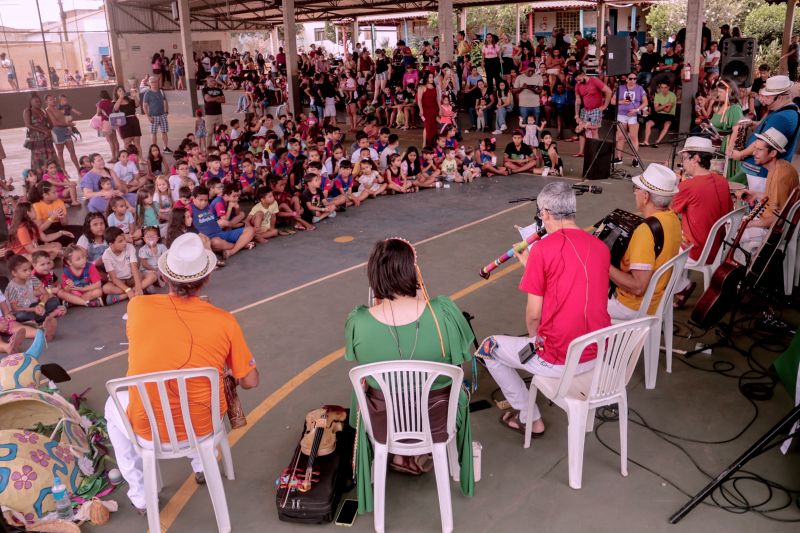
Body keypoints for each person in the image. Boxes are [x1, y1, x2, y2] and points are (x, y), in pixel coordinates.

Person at [104, 232, 259, 512]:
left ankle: (141, 495)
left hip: (147, 429)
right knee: (196, 393)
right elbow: (250, 381)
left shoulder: (137, 307)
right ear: (207, 278)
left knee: (111, 406)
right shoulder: (224, 322)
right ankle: (201, 463)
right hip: (202, 428)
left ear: (164, 277)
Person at [345, 237, 474, 513]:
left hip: (385, 424)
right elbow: (463, 362)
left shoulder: (359, 322)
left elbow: (363, 363)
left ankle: (396, 455)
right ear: (414, 272)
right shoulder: (443, 313)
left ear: (373, 276)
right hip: (438, 419)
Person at [480, 181, 610, 435]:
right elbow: (568, 284)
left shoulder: (542, 249)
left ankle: (530, 419)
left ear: (547, 214)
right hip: (597, 351)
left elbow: (534, 315)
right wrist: (533, 268)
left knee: (488, 349)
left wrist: (534, 340)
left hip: (560, 357)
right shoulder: (600, 247)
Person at [608, 164, 682, 320]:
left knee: (574, 298)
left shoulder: (645, 231)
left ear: (646, 196)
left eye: (637, 189)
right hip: (658, 299)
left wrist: (603, 264)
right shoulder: (673, 219)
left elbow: (638, 287)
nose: (635, 193)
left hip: (633, 306)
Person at [671, 137, 733, 307]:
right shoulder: (722, 181)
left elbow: (668, 213)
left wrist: (675, 185)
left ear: (696, 158)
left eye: (684, 158)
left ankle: (682, 286)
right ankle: (682, 283)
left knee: (658, 244)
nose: (682, 163)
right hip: (720, 246)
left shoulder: (689, 186)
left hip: (699, 250)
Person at [737, 128, 800, 260]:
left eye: (759, 150)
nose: (754, 153)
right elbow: (775, 199)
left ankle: (740, 273)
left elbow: (779, 219)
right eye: (755, 148)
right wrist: (756, 195)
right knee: (733, 225)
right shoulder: (778, 166)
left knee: (729, 234)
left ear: (772, 153)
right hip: (768, 222)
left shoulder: (780, 176)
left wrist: (751, 224)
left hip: (775, 230)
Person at [730, 76, 800, 191]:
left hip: (761, 173)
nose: (763, 101)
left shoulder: (783, 117)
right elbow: (767, 127)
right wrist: (753, 124)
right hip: (758, 170)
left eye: (767, 97)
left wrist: (740, 154)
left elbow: (763, 144)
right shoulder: (781, 111)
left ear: (780, 97)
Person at [612, 73, 647, 167]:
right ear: (626, 79)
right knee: (620, 137)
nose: (633, 81)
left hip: (634, 115)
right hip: (621, 114)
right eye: (631, 79)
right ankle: (618, 158)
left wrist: (637, 110)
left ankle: (635, 159)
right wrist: (621, 102)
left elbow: (645, 102)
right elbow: (612, 101)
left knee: (633, 137)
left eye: (635, 79)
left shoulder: (639, 88)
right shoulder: (620, 88)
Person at [574, 70, 612, 157]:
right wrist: (576, 114)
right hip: (585, 110)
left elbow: (608, 91)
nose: (578, 82)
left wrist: (605, 106)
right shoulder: (578, 85)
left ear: (583, 74)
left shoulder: (594, 80)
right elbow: (578, 100)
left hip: (596, 109)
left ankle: (595, 152)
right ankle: (581, 152)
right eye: (577, 80)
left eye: (579, 80)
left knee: (594, 130)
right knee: (582, 131)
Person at [44, 94, 81, 174]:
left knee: (72, 151)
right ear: (46, 101)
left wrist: (69, 124)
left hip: (65, 130)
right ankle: (64, 172)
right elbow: (55, 123)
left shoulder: (57, 108)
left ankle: (79, 169)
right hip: (57, 132)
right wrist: (68, 124)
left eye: (53, 98)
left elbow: (63, 119)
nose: (53, 100)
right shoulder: (48, 110)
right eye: (50, 100)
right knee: (60, 152)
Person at [22, 94, 56, 172]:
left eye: (39, 101)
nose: (39, 103)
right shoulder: (28, 111)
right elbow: (27, 124)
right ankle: (40, 176)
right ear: (31, 102)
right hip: (36, 139)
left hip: (47, 138)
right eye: (36, 101)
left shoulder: (43, 111)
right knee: (38, 157)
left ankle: (51, 174)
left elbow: (51, 124)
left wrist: (48, 131)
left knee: (50, 156)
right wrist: (43, 131)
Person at [142, 76, 171, 153]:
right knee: (153, 132)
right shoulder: (147, 93)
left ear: (157, 82)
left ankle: (165, 148)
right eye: (152, 82)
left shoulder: (161, 91)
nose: (154, 83)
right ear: (149, 83)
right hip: (153, 116)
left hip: (162, 115)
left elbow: (165, 101)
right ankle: (154, 149)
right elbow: (144, 106)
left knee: (164, 132)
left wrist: (166, 112)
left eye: (155, 82)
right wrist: (148, 116)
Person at [113, 86, 143, 162]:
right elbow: (115, 109)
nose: (121, 91)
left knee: (137, 142)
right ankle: (128, 160)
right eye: (119, 91)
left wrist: (135, 96)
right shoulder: (115, 101)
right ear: (116, 93)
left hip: (134, 121)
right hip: (124, 123)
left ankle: (140, 159)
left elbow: (137, 105)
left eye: (122, 90)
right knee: (127, 142)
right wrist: (120, 98)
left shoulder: (129, 100)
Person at [641, 83, 676, 147]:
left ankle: (657, 142)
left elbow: (668, 110)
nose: (663, 89)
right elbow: (656, 109)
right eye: (662, 87)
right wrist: (665, 105)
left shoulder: (672, 95)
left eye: (665, 87)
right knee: (648, 123)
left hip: (669, 115)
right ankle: (645, 141)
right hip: (658, 114)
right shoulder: (657, 95)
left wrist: (660, 106)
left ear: (668, 88)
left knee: (667, 124)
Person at [417, 71, 440, 148]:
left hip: (434, 109)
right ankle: (426, 144)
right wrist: (421, 110)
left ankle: (433, 143)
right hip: (426, 110)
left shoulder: (435, 87)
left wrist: (440, 109)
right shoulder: (421, 87)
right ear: (426, 78)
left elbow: (437, 99)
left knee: (434, 127)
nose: (432, 79)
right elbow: (419, 100)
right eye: (430, 77)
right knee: (428, 127)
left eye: (432, 77)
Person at [96, 90, 120, 161]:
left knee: (110, 141)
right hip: (113, 121)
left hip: (106, 122)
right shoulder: (111, 101)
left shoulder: (101, 103)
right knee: (115, 140)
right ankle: (118, 155)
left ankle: (113, 157)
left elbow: (98, 113)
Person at [203, 77, 226, 148]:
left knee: (220, 131)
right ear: (207, 82)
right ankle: (208, 148)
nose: (213, 82)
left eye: (214, 80)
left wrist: (213, 98)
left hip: (219, 114)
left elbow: (223, 100)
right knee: (209, 132)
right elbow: (208, 99)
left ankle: (219, 146)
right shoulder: (205, 89)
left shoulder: (219, 89)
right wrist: (217, 98)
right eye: (211, 81)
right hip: (209, 114)